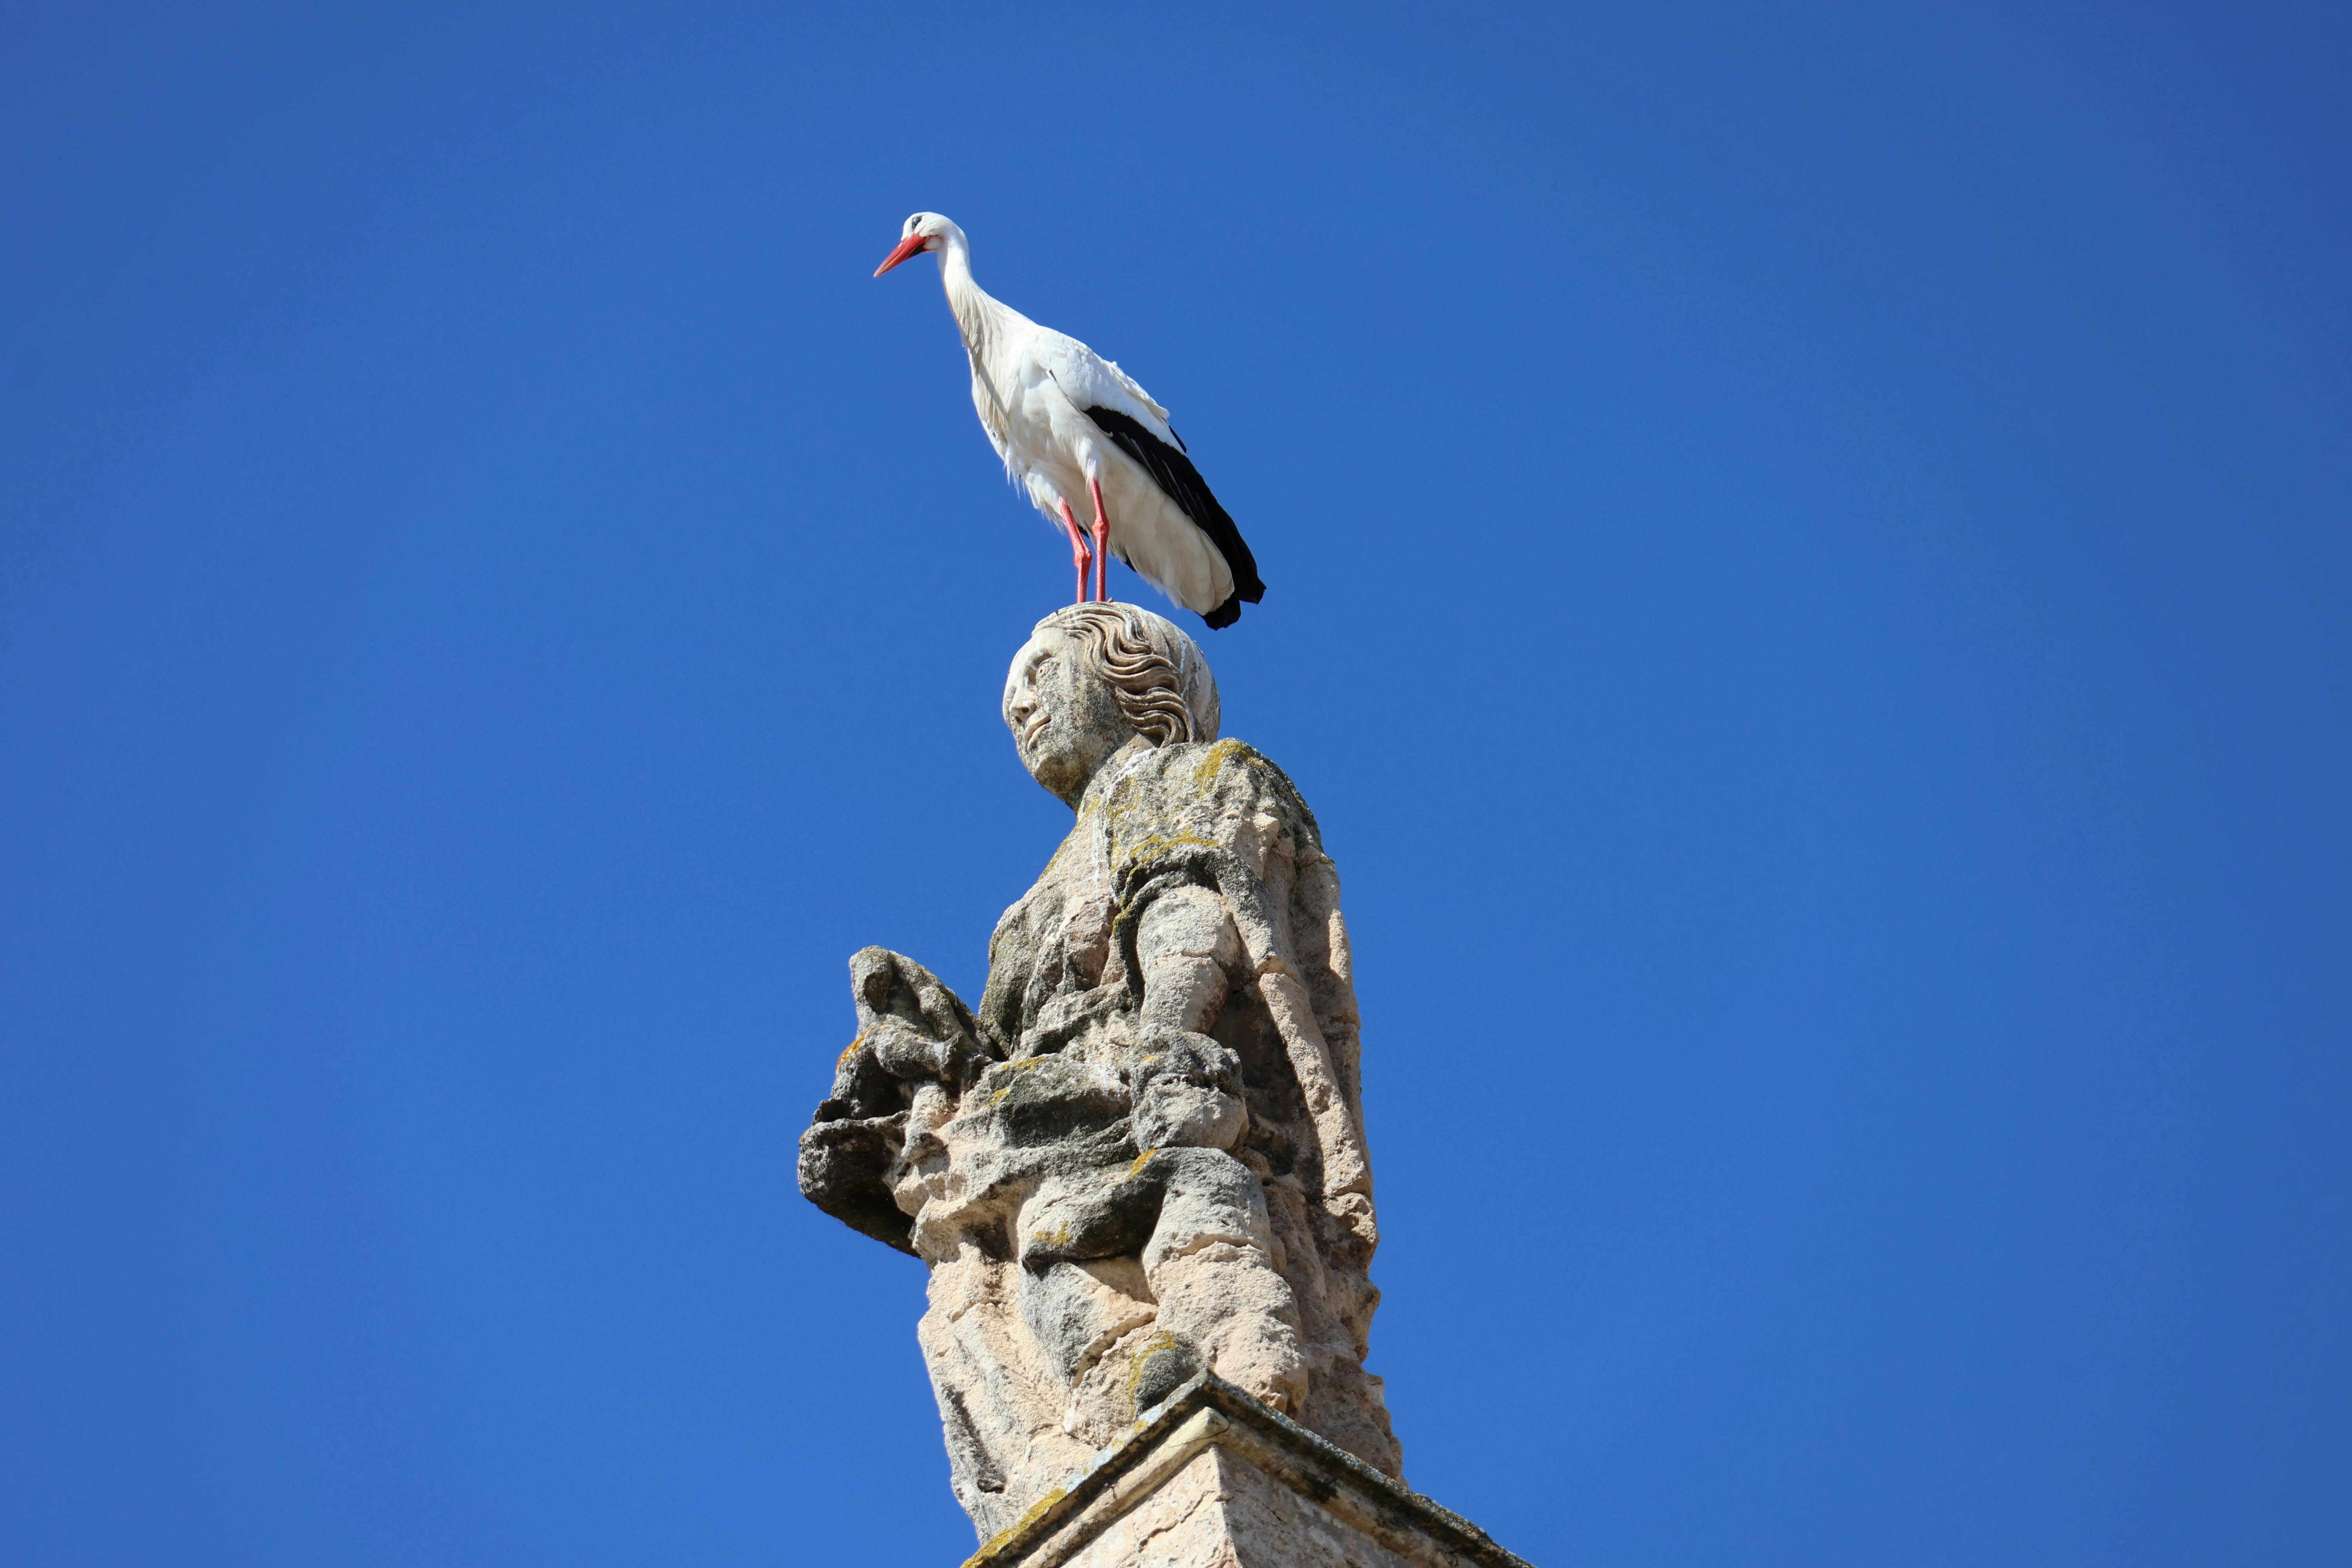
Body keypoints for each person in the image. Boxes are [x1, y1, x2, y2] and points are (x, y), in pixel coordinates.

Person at [799, 603, 1399, 1540]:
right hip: (1036, 1113)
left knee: (1145, 1196)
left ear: (1130, 672)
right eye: (1008, 701)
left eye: (1041, 673)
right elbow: (1002, 1039)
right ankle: (1124, 1380)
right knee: (1017, 1255)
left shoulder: (1187, 776)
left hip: (1140, 1075)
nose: (1021, 707)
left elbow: (1192, 903)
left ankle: (1210, 1351)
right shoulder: (1029, 896)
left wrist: (1170, 1026)